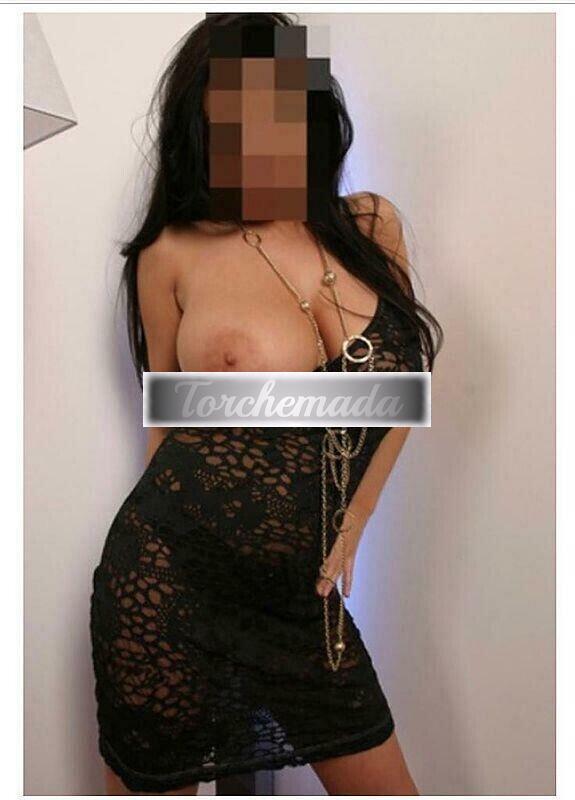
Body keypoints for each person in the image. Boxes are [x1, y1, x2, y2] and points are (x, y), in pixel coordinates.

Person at [89, 12, 443, 796]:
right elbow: (168, 427)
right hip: (172, 580)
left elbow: (403, 387)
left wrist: (357, 516)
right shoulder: (169, 253)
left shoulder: (369, 224)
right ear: (202, 124)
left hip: (302, 602)